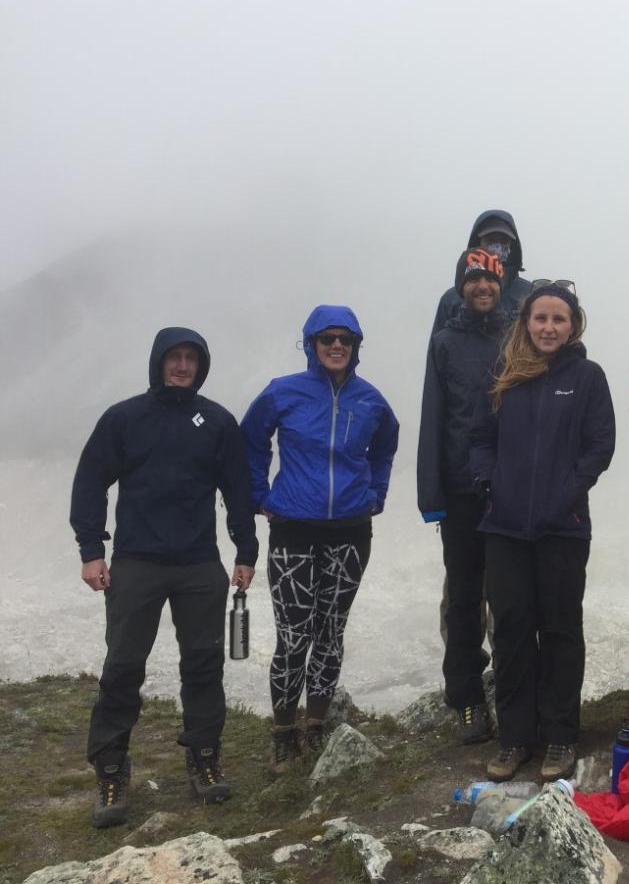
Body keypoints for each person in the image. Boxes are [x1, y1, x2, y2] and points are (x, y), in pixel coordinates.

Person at [70, 327, 258, 827]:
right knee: (124, 667)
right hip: (136, 561)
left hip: (199, 563)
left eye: (190, 359)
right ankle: (110, 770)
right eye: (173, 357)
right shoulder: (125, 418)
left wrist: (246, 550)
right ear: (158, 362)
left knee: (203, 665)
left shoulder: (217, 421)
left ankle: (203, 758)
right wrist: (92, 551)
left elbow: (238, 490)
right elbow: (90, 481)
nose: (181, 366)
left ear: (201, 366)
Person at [240, 306, 399, 772]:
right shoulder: (282, 392)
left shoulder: (370, 400)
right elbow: (251, 441)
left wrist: (376, 493)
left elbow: (386, 447)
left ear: (356, 346)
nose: (336, 346)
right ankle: (283, 735)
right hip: (293, 526)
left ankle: (316, 725)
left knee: (330, 634)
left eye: (346, 340)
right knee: (294, 637)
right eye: (327, 338)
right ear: (310, 343)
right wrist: (260, 494)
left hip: (350, 529)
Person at [472, 281, 615, 783]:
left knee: (558, 630)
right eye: (540, 318)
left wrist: (564, 494)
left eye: (559, 318)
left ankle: (559, 735)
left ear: (573, 325)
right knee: (511, 631)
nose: (549, 327)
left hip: (564, 528)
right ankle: (514, 738)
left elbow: (600, 446)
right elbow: (480, 438)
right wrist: (490, 483)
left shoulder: (588, 377)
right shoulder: (504, 374)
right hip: (504, 527)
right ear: (526, 323)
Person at [418, 248, 511, 745]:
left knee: (509, 594)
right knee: (463, 597)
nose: (483, 287)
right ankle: (467, 698)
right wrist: (430, 493)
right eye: (474, 279)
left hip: (508, 488)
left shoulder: (516, 335)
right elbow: (433, 415)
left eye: (491, 281)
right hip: (459, 490)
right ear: (461, 286)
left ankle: (515, 691)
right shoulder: (444, 343)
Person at [429, 210, 531, 335]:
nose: (497, 247)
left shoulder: (530, 295)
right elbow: (437, 349)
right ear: (477, 244)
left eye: (504, 241)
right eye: (490, 240)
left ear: (512, 246)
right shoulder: (451, 299)